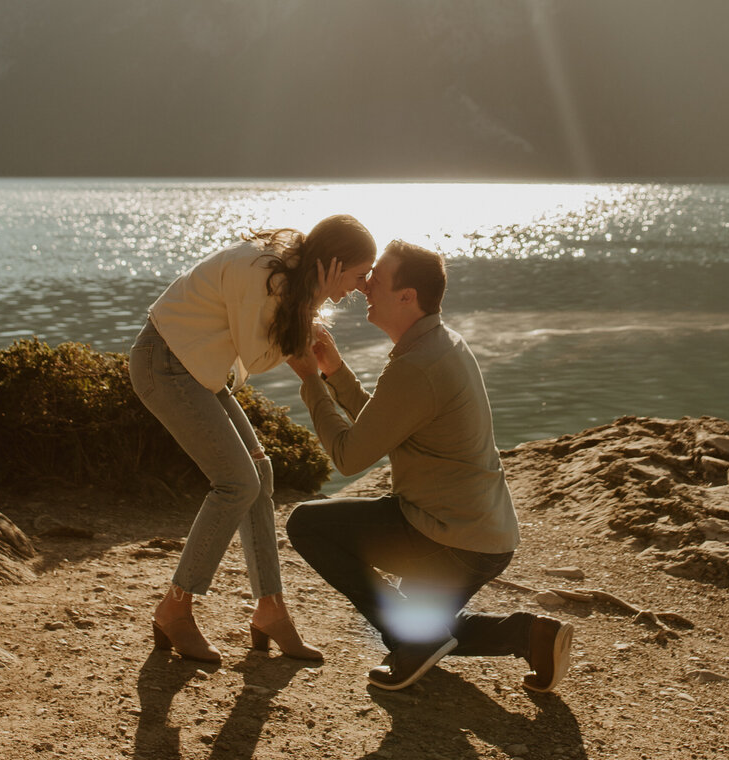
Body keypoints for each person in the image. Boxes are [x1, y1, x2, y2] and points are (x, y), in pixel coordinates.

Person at [285, 239, 573, 694]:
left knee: (307, 525)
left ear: (407, 297)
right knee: (429, 628)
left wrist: (310, 383)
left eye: (375, 281)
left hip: (449, 538)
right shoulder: (440, 343)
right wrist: (334, 372)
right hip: (485, 538)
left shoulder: (417, 364)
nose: (364, 288)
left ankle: (409, 642)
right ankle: (530, 635)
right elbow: (384, 427)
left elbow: (349, 456)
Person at [129, 214, 376, 664]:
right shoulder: (264, 271)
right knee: (236, 483)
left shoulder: (288, 275)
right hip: (163, 364)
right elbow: (258, 357)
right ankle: (174, 608)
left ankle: (271, 611)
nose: (361, 286)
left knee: (259, 473)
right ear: (334, 265)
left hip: (192, 366)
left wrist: (304, 319)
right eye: (360, 275)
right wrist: (302, 326)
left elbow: (261, 349)